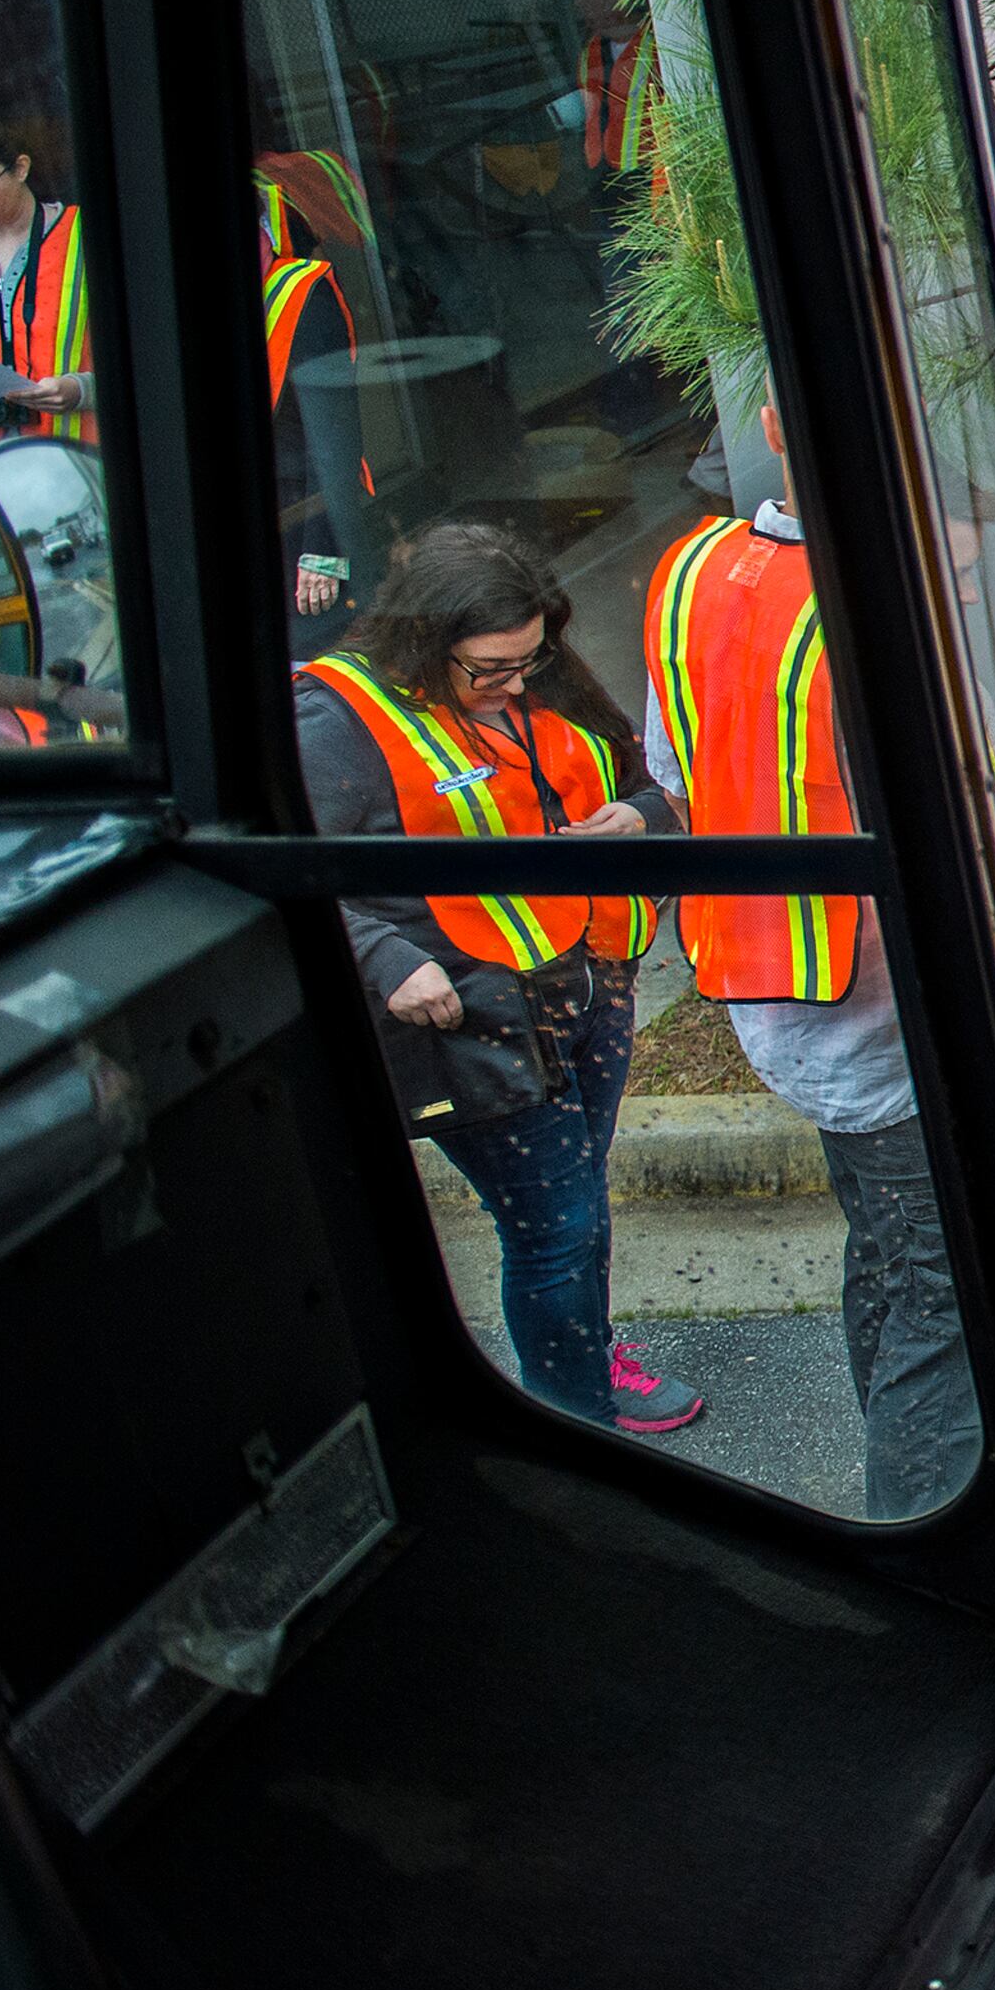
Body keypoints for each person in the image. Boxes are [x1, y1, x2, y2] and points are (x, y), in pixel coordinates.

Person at [642, 402, 995, 1519]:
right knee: (945, 1304)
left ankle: (908, 1478)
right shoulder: (872, 631)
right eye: (945, 573)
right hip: (879, 1020)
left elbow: (678, 772)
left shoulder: (697, 567)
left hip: (775, 994)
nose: (953, 597)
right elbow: (958, 830)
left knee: (893, 1261)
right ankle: (927, 1527)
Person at [296, 520, 705, 1434]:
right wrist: (385, 959)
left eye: (530, 658)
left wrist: (637, 819)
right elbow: (290, 877)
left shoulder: (532, 667)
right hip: (478, 1016)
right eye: (489, 670)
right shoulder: (333, 720)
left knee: (577, 1207)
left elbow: (650, 782)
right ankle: (572, 1415)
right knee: (555, 1227)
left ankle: (584, 1355)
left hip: (593, 985)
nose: (516, 683)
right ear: (421, 641)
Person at [0, 121, 97, 441]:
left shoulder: (87, 235)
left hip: (79, 469)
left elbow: (152, 353)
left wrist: (81, 390)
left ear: (21, 168)